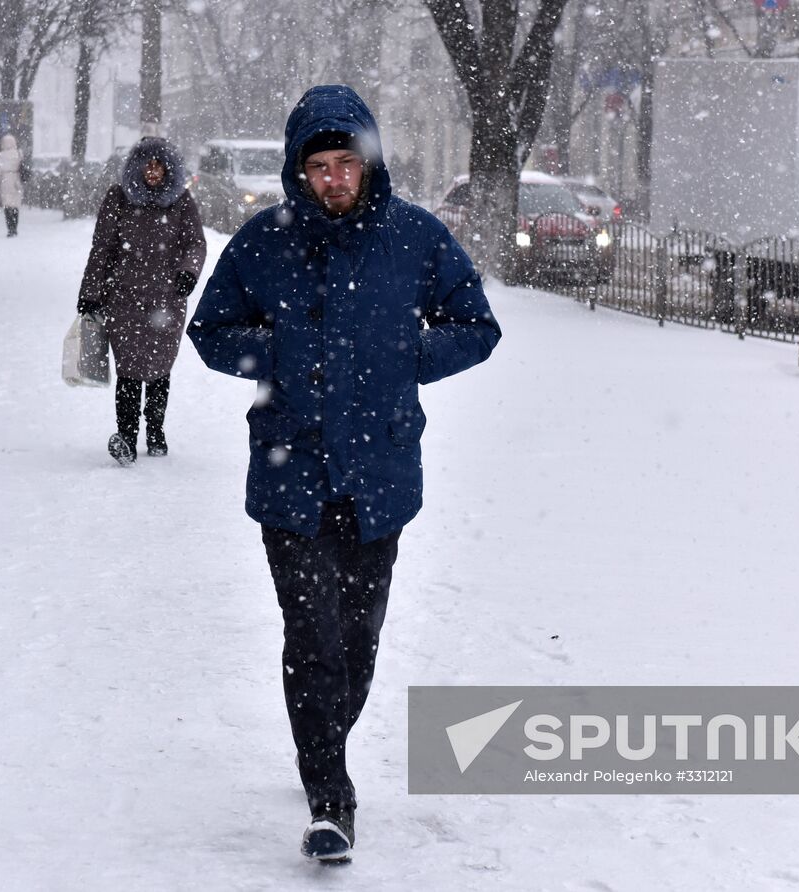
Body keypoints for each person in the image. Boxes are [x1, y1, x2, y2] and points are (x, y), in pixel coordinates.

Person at [187, 85, 500, 862]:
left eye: (345, 164)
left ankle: (324, 738)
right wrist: (274, 356)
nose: (333, 179)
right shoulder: (263, 243)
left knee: (358, 641)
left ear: (368, 164)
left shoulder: (415, 239)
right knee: (313, 640)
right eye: (319, 166)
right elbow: (210, 330)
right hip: (290, 477)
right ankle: (331, 794)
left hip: (380, 476)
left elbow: (476, 325)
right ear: (300, 170)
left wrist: (410, 358)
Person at [77, 137, 206, 465]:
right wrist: (90, 295)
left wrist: (188, 273)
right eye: (146, 164)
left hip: (167, 300)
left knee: (160, 369)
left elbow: (195, 243)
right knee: (129, 371)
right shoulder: (118, 199)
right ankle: (127, 436)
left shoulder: (181, 201)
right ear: (136, 167)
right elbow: (102, 249)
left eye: (158, 164)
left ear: (168, 169)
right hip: (124, 299)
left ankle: (156, 429)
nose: (152, 171)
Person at [0, 134, 23, 237]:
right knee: (15, 205)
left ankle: (10, 228)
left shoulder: (1, 155)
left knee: (7, 204)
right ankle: (15, 227)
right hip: (17, 180)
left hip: (5, 181)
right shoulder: (19, 153)